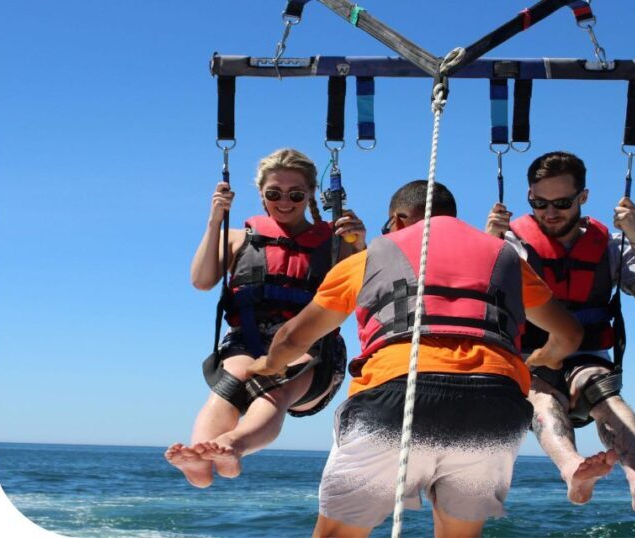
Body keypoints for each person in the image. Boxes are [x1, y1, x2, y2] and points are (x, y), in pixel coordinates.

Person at [248, 179, 584, 538]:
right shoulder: (506, 259)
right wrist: (537, 360)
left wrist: (266, 366)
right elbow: (569, 335)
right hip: (494, 407)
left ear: (399, 220)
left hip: (394, 398)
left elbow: (293, 337)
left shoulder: (373, 255)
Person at [486, 150, 635, 513]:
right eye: (538, 203)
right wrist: (487, 242)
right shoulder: (512, 245)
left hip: (588, 355)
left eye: (561, 202)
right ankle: (573, 469)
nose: (549, 212)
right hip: (535, 358)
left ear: (583, 198)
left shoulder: (610, 247)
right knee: (543, 399)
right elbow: (476, 302)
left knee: (607, 397)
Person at [165, 147, 366, 488]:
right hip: (248, 341)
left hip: (311, 348)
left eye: (295, 194)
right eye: (274, 193)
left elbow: (364, 295)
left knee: (275, 386)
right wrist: (215, 219)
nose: (284, 202)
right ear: (261, 194)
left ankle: (234, 446)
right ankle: (199, 461)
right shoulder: (238, 239)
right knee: (229, 385)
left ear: (311, 195)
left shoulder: (335, 244)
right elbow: (201, 281)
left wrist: (359, 244)